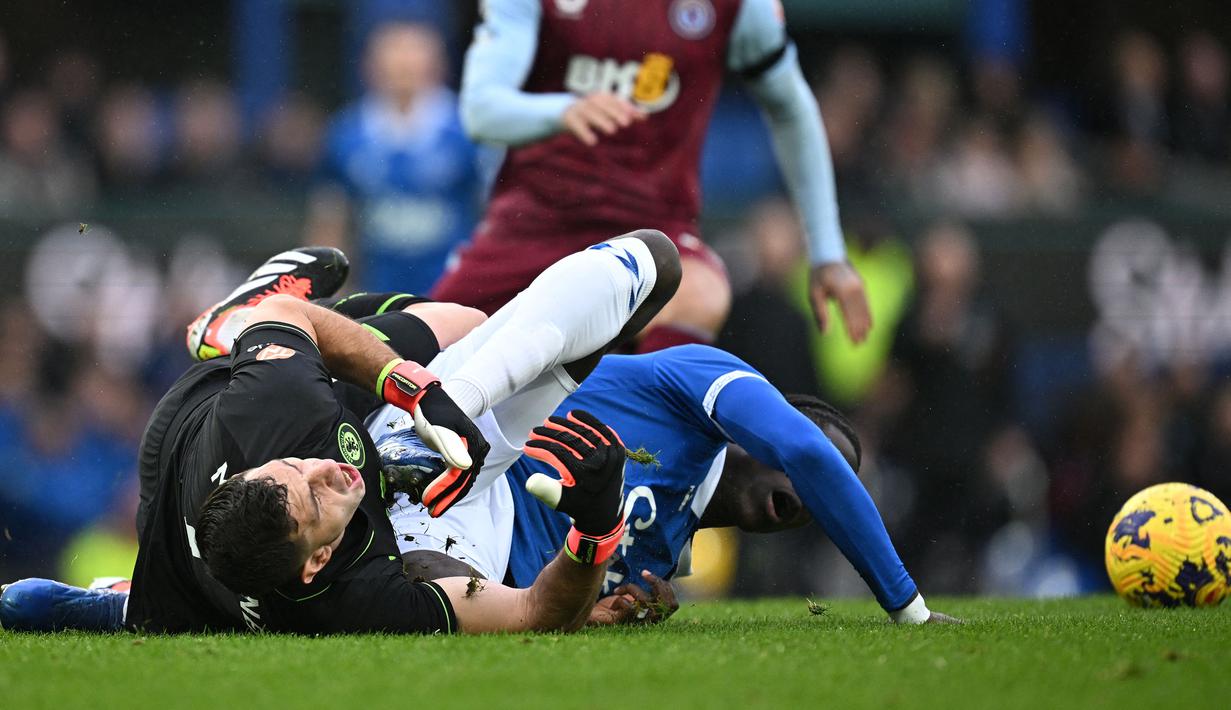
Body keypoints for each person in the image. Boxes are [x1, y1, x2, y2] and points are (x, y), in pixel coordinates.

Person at [2, 232, 681, 634]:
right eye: (316, 495)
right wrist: (594, 533)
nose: (323, 469)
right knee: (648, 265)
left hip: (200, 419)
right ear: (316, 564)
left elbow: (293, 318)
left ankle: (226, 326)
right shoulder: (354, 599)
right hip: (375, 518)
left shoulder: (277, 418)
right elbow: (535, 613)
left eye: (295, 469)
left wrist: (420, 393)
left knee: (459, 322)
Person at [380, 345, 958, 625]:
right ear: (768, 428)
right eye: (823, 473)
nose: (814, 490)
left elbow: (550, 605)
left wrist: (600, 613)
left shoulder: (668, 556)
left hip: (493, 573)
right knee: (421, 605)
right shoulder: (691, 383)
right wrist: (910, 608)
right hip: (462, 466)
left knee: (450, 616)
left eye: (830, 494)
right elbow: (806, 451)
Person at [431, 0, 872, 351]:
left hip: (653, 234)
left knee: (702, 294)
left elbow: (790, 107)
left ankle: (635, 455)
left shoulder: (737, 6)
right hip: (531, 228)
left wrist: (828, 253)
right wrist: (564, 110)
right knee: (416, 348)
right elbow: (481, 109)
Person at [304, 21, 480, 294]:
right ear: (370, 67)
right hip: (378, 283)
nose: (403, 67)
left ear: (438, 66)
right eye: (394, 59)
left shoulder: (467, 128)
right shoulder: (348, 132)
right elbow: (330, 215)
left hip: (453, 283)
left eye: (413, 58)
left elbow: (493, 209)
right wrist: (325, 288)